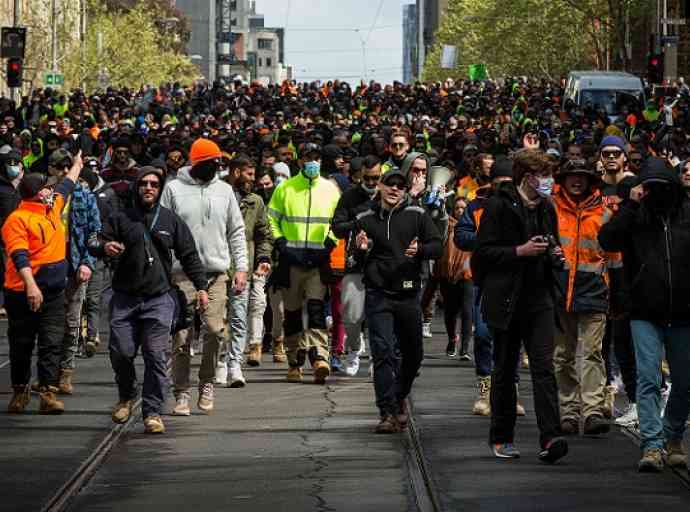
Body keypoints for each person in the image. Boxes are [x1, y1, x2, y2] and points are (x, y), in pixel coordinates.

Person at [90, 166, 208, 434]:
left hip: (158, 298)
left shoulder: (170, 220)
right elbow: (95, 240)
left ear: (160, 188)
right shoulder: (121, 218)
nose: (149, 188)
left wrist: (201, 287)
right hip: (125, 299)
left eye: (154, 184)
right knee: (121, 352)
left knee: (156, 356)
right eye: (144, 183)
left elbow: (189, 255)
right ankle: (126, 395)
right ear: (136, 186)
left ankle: (153, 412)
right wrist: (104, 246)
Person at [473, 149, 567, 462]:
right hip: (506, 299)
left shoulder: (546, 207)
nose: (549, 182)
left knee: (543, 367)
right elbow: (482, 254)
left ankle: (551, 436)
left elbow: (552, 240)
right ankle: (501, 436)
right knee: (505, 368)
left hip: (539, 298)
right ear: (527, 177)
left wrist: (555, 256)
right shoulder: (499, 205)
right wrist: (519, 251)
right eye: (544, 176)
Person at [598, 157, 690, 472]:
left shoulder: (687, 213)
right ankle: (652, 445)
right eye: (650, 188)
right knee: (648, 378)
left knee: (685, 381)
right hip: (644, 310)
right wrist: (629, 205)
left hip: (684, 311)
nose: (656, 193)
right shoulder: (636, 215)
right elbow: (607, 239)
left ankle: (674, 435)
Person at [160, 138, 248, 415]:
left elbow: (236, 231)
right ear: (196, 163)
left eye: (219, 163)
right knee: (182, 337)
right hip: (181, 274)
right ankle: (182, 392)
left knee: (214, 331)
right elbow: (162, 230)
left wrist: (241, 267)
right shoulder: (173, 189)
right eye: (212, 163)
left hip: (216, 273)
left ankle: (206, 382)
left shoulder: (224, 190)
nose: (218, 167)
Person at [354, 163, 442, 432]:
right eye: (389, 184)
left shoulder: (417, 214)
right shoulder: (365, 217)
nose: (394, 189)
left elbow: (437, 246)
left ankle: (398, 395)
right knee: (382, 353)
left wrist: (422, 249)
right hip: (377, 293)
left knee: (414, 355)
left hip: (407, 294)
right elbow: (355, 256)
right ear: (379, 186)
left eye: (400, 186)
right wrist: (361, 250)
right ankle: (387, 412)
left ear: (405, 190)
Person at [3, 153, 84, 414]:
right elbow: (19, 255)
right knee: (22, 343)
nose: (52, 190)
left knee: (51, 342)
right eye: (47, 188)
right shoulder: (18, 219)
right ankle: (20, 391)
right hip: (22, 292)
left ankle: (48, 394)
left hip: (52, 293)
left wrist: (77, 166)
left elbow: (67, 185)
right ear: (38, 194)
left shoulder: (53, 206)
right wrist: (31, 285)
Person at [552, 159, 622, 436]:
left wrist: (617, 295)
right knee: (562, 356)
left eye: (582, 176)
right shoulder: (552, 209)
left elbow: (615, 258)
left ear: (590, 180)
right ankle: (569, 412)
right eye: (572, 176)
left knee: (592, 354)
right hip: (560, 293)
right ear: (564, 179)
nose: (577, 180)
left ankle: (592, 411)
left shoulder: (604, 213)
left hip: (594, 292)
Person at [267, 143, 341, 384]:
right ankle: (294, 361)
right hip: (291, 261)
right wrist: (281, 243)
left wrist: (329, 243)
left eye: (316, 157)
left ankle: (320, 357)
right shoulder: (285, 189)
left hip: (319, 262)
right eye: (308, 157)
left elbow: (338, 222)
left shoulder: (331, 190)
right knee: (292, 314)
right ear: (299, 161)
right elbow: (271, 219)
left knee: (318, 310)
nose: (312, 162)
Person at [455, 157, 518, 417]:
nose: (503, 189)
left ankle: (510, 395)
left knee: (511, 339)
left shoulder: (522, 206)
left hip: (514, 282)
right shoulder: (476, 207)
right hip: (483, 282)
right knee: (483, 335)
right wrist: (487, 239)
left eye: (508, 184)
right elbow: (461, 236)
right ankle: (485, 391)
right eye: (499, 184)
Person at [47, 149, 101, 395]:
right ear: (52, 169)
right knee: (48, 326)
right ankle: (48, 374)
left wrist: (87, 263)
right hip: (48, 268)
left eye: (68, 167)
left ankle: (65, 373)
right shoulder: (46, 195)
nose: (64, 172)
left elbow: (94, 231)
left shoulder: (84, 194)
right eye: (60, 168)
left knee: (71, 324)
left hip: (74, 265)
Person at [220, 154, 273, 386]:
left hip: (244, 267)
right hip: (219, 266)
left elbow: (264, 234)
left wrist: (263, 256)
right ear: (236, 172)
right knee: (218, 320)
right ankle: (220, 361)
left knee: (239, 317)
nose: (254, 179)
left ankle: (235, 365)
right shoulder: (218, 195)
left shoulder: (256, 201)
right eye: (250, 174)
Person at [331, 155, 381, 376]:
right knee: (351, 315)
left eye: (376, 178)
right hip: (355, 263)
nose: (372, 183)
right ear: (361, 176)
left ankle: (376, 357)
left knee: (379, 315)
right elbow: (337, 227)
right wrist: (356, 225)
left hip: (381, 263)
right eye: (368, 178)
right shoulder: (350, 197)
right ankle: (353, 348)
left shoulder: (387, 194)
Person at [437, 196, 473, 358]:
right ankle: (452, 338)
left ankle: (465, 348)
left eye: (463, 208)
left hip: (467, 274)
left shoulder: (473, 227)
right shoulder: (447, 225)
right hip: (447, 274)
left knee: (467, 312)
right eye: (457, 208)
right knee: (450, 312)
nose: (460, 211)